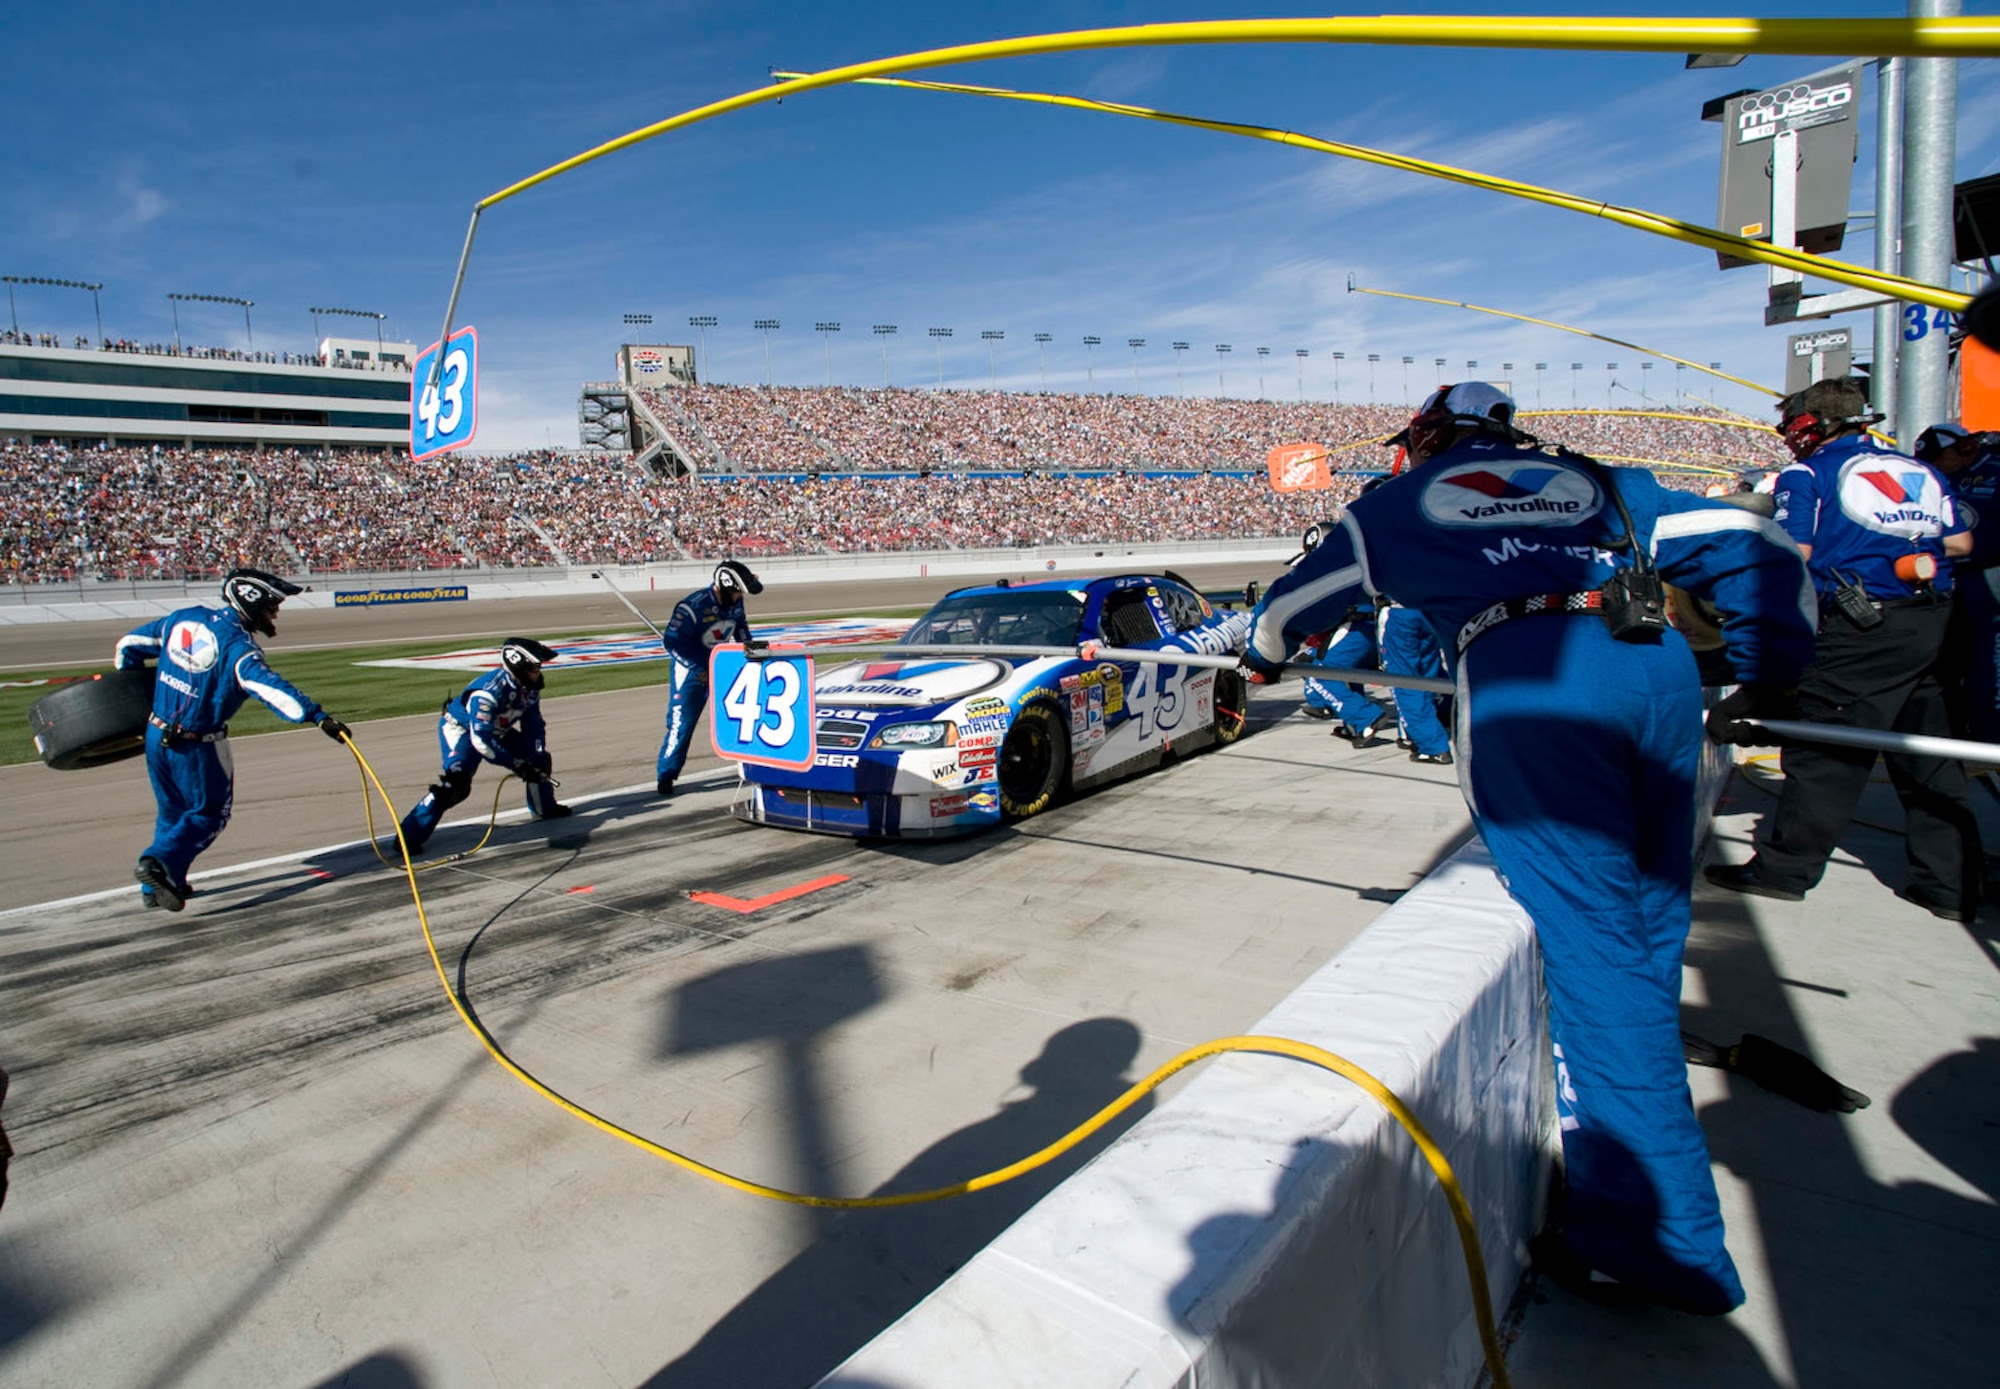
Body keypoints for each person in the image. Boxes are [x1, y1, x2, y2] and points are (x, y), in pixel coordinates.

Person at [1241, 383, 1815, 1314]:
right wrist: (1767, 670)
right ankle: (1639, 1134)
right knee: (1651, 923)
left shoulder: (1398, 503)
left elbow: (1287, 612)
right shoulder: (1605, 481)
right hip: (1656, 672)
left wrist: (1264, 656)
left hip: (1536, 694)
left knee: (1598, 955)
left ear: (1423, 439)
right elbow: (1761, 546)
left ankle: (1657, 1243)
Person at [1708, 381, 1981, 922]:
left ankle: (1784, 871)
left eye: (1790, 429)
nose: (1788, 440)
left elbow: (1793, 555)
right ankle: (1950, 886)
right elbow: (1960, 543)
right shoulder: (1917, 469)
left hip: (1863, 626)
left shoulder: (1808, 474)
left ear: (1811, 426)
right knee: (1927, 754)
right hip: (1936, 618)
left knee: (1826, 752)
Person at [115, 569, 350, 912]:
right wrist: (318, 717)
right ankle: (155, 863)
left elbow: (127, 648)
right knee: (210, 814)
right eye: (273, 605)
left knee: (173, 813)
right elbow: (272, 690)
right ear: (251, 601)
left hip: (155, 734)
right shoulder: (239, 649)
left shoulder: (183, 619)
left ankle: (162, 885)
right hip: (197, 744)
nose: (276, 612)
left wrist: (133, 690)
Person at [397, 638, 570, 853]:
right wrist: (516, 765)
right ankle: (408, 837)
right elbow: (481, 740)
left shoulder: (530, 689)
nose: (539, 672)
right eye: (534, 667)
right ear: (519, 667)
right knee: (456, 785)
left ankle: (544, 808)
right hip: (463, 730)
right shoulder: (487, 694)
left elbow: (534, 726)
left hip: (497, 730)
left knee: (539, 760)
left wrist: (535, 756)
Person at [1913, 423, 2000, 743]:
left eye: (1939, 458)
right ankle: (1950, 728)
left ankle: (1990, 732)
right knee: (1944, 657)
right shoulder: (1927, 475)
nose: (1935, 466)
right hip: (1945, 575)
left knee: (1988, 659)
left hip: (1988, 576)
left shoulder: (1994, 466)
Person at [657, 561, 762, 796]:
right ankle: (666, 775)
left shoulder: (736, 602)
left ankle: (755, 765)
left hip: (721, 667)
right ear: (725, 588)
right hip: (690, 674)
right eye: (737, 592)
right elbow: (671, 642)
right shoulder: (692, 606)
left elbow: (741, 629)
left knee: (746, 714)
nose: (739, 597)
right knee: (681, 725)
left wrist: (753, 651)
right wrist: (697, 667)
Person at [1378, 604, 1453, 763]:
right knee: (1428, 677)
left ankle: (1432, 746)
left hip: (1401, 612)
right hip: (1427, 609)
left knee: (1404, 683)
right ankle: (1427, 731)